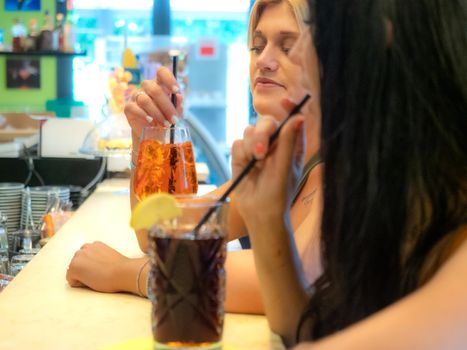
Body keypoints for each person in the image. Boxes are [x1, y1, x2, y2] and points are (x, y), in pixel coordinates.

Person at [231, 0, 467, 347]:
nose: (298, 55)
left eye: (311, 32)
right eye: (258, 45)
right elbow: (310, 331)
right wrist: (268, 221)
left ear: (372, 40)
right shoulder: (393, 190)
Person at [66, 0, 323, 314]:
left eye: (288, 47)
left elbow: (290, 281)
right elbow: (157, 230)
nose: (264, 61)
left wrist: (126, 273)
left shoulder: (342, 168)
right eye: (258, 46)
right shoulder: (281, 167)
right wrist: (149, 140)